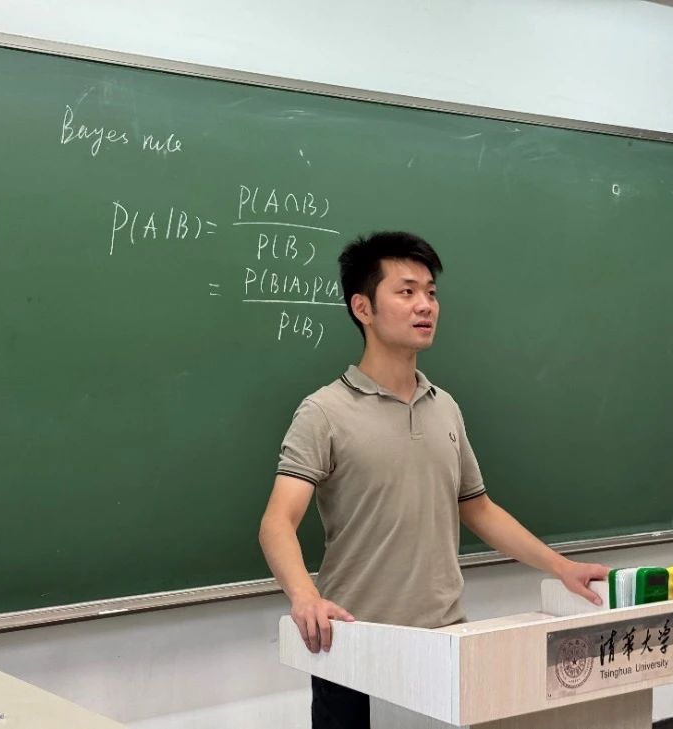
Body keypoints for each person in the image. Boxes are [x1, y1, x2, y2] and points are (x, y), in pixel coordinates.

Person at [258, 231, 609, 729]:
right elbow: (277, 521)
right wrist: (304, 596)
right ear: (363, 307)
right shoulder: (324, 412)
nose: (425, 305)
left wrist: (561, 567)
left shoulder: (444, 407)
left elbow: (478, 508)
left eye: (430, 292)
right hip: (355, 643)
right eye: (406, 292)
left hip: (444, 641)